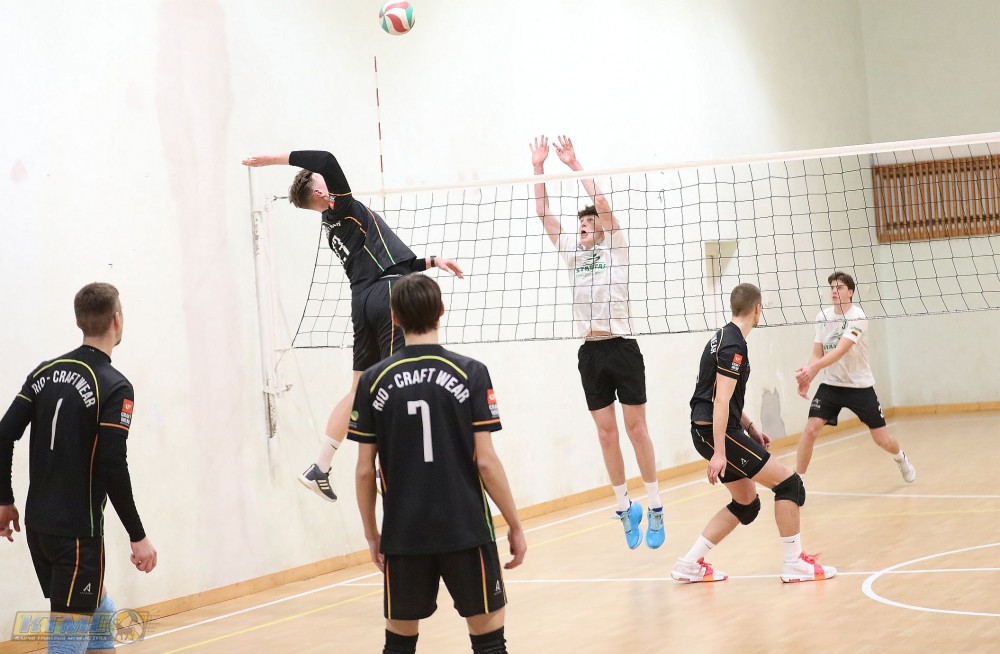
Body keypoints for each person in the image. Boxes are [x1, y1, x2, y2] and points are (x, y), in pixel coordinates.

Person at [242, 150, 463, 502]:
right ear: (320, 193)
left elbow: (392, 262)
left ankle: (320, 466)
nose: (329, 180)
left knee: (360, 390)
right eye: (323, 181)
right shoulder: (340, 207)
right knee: (400, 378)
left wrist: (433, 261)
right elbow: (326, 159)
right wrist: (271, 160)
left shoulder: (331, 225)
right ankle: (388, 463)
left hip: (363, 299)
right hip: (386, 293)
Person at [347, 273, 525, 654]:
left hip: (403, 533)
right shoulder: (471, 372)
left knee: (398, 646)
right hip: (466, 529)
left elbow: (364, 471)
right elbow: (487, 463)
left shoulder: (373, 380)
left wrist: (372, 535)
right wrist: (515, 523)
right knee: (489, 644)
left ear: (394, 317)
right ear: (442, 310)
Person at [0, 283, 157, 653]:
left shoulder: (44, 372)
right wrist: (138, 535)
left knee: (98, 611)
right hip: (76, 535)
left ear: (78, 321)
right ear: (117, 320)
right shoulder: (115, 386)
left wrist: (4, 500)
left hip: (39, 527)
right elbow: (112, 464)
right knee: (67, 642)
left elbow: (4, 434)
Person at [529, 135, 664, 550]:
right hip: (590, 351)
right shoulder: (572, 252)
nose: (585, 226)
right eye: (582, 223)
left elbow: (602, 204)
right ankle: (625, 507)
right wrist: (538, 167)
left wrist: (575, 165)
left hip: (622, 345)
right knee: (607, 435)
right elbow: (543, 213)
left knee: (636, 429)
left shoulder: (616, 249)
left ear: (602, 229)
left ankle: (655, 505)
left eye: (591, 223)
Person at [672, 283, 837, 584]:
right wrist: (720, 452)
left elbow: (721, 395)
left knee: (747, 502)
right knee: (789, 484)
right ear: (757, 309)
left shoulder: (722, 337)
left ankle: (689, 563)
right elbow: (720, 401)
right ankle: (793, 563)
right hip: (715, 432)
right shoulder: (733, 346)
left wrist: (750, 428)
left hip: (711, 429)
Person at [794, 271, 916, 482]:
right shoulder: (822, 317)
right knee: (811, 430)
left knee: (882, 439)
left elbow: (840, 351)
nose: (834, 291)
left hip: (860, 387)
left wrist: (811, 369)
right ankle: (797, 481)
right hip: (831, 386)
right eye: (832, 287)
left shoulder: (858, 316)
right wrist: (808, 377)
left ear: (850, 292)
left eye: (839, 287)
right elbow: (817, 354)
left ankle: (900, 457)